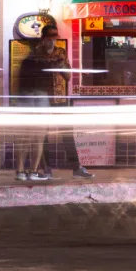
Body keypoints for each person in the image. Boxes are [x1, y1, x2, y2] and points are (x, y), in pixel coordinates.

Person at [34, 24, 95, 180]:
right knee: (44, 135)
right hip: (43, 99)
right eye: (50, 36)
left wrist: (60, 65)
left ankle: (76, 168)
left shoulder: (61, 52)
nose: (53, 39)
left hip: (60, 99)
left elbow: (68, 78)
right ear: (43, 37)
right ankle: (46, 168)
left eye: (55, 36)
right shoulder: (36, 53)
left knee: (67, 134)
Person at [15, 51, 50, 182]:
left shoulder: (25, 62)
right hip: (40, 95)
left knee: (24, 137)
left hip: (25, 95)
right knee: (38, 138)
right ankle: (33, 172)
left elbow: (20, 82)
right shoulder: (46, 62)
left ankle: (20, 171)